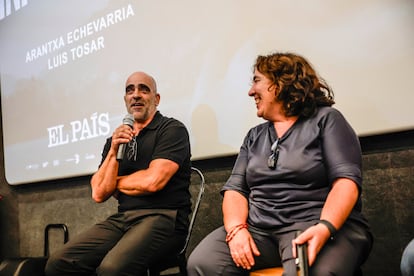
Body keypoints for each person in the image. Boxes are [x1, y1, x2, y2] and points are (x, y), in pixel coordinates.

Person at [187, 52, 373, 276]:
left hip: (315, 224)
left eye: (256, 81)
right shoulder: (254, 136)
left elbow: (346, 182)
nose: (250, 91)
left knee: (314, 272)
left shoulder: (327, 120)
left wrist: (325, 227)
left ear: (282, 83)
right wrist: (237, 230)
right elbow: (235, 190)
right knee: (203, 264)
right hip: (261, 231)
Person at [45, 71, 192, 275]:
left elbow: (153, 182)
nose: (136, 95)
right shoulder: (115, 140)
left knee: (112, 269)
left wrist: (115, 183)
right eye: (130, 90)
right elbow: (98, 192)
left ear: (156, 99)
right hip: (124, 219)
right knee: (60, 262)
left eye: (144, 89)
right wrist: (114, 150)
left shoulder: (171, 129)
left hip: (164, 217)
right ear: (125, 100)